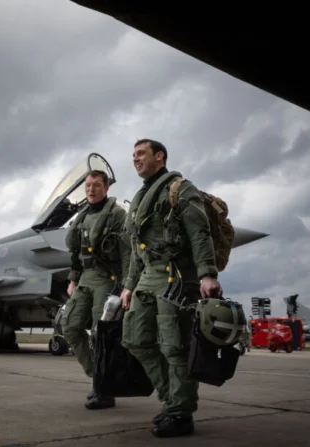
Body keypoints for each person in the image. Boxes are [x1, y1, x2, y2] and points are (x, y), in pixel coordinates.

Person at [120, 138, 223, 438]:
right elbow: (137, 248)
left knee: (174, 347)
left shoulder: (180, 188)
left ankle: (180, 413)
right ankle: (171, 400)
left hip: (174, 276)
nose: (135, 159)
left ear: (160, 156)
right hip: (146, 278)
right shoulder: (140, 198)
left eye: (141, 154)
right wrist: (128, 285)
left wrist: (207, 274)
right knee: (134, 339)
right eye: (133, 155)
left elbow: (199, 232)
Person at [63, 169, 131, 410]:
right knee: (69, 326)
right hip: (85, 279)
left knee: (100, 335)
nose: (91, 190)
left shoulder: (117, 215)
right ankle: (100, 378)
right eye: (88, 185)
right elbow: (75, 253)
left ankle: (103, 390)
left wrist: (126, 286)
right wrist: (73, 279)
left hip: (107, 278)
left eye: (97, 185)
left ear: (106, 187)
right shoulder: (81, 217)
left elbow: (126, 253)